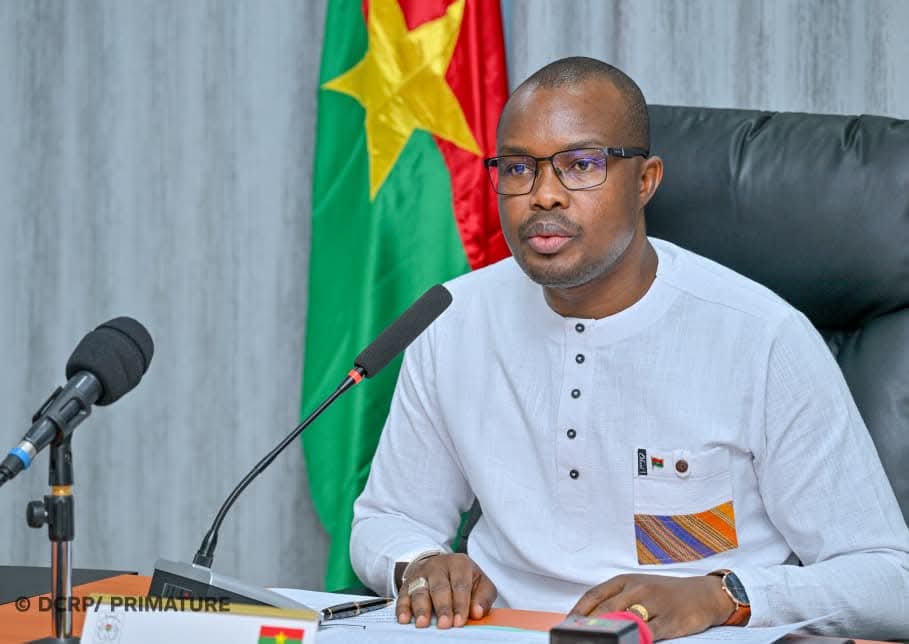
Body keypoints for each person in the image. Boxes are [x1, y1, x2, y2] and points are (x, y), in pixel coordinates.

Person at [348, 57, 909, 641]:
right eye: (517, 168)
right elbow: (389, 517)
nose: (543, 195)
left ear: (645, 181)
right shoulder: (451, 319)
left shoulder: (762, 336)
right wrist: (418, 562)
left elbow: (892, 580)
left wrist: (726, 596)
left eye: (581, 165)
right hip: (505, 632)